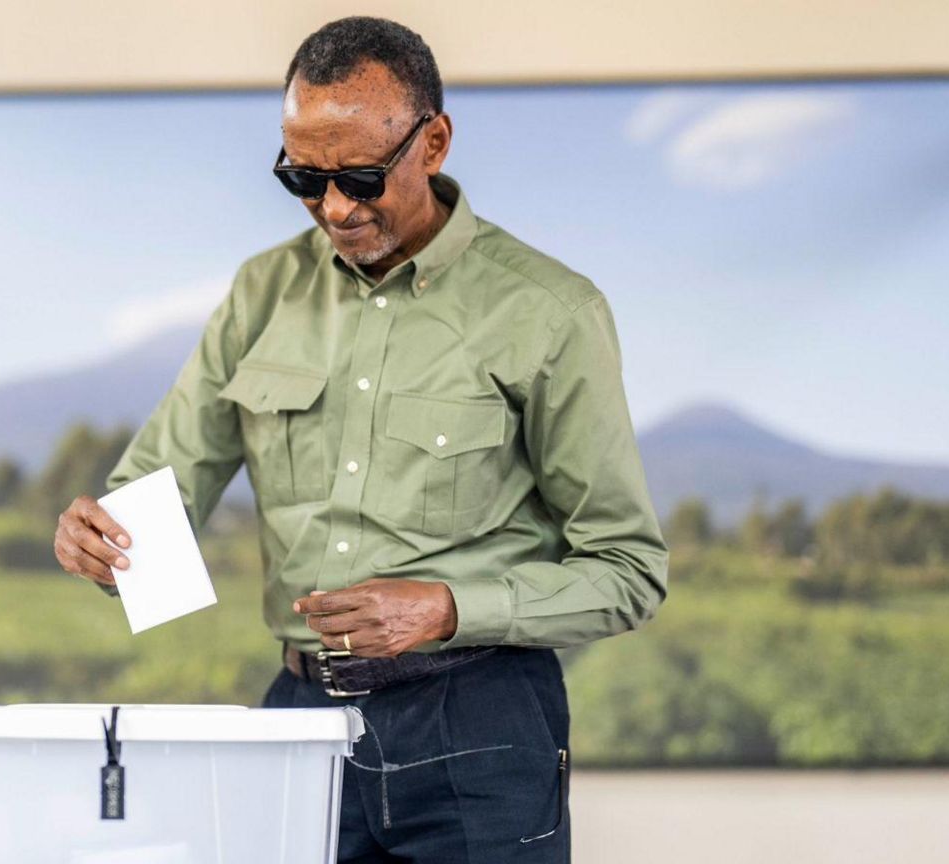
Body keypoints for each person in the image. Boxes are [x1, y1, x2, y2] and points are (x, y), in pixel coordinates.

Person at [53, 15, 669, 863]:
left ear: (435, 142)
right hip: (299, 723)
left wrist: (448, 608)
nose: (335, 208)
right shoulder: (261, 293)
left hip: (480, 720)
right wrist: (105, 543)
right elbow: (160, 492)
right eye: (303, 176)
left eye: (363, 177)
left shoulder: (551, 313)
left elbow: (629, 573)